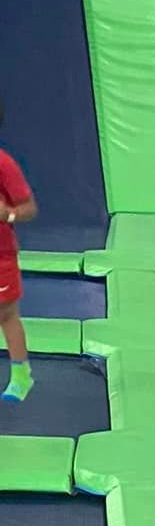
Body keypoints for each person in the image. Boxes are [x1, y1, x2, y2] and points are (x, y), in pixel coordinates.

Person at [0, 113, 39, 404]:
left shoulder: (4, 164)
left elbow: (29, 208)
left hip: (1, 256)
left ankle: (21, 375)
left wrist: (8, 214)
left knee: (7, 314)